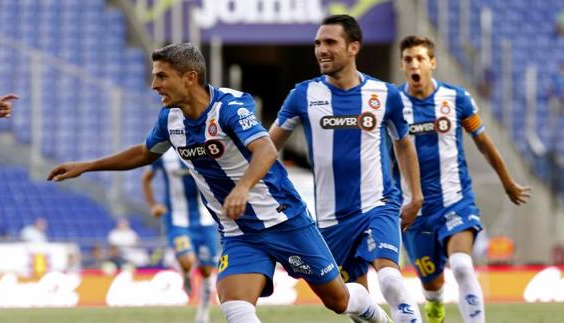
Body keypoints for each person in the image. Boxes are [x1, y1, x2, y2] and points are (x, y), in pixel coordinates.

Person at [47, 43, 391, 323]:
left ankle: (374, 313)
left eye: (162, 77)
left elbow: (266, 147)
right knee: (235, 306)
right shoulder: (170, 119)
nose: (154, 86)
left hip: (284, 221)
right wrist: (88, 165)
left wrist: (242, 188)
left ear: (190, 78)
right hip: (239, 232)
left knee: (338, 301)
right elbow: (144, 153)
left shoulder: (230, 106)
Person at [269, 15, 424, 323]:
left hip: (378, 204)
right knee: (348, 299)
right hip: (329, 218)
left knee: (390, 279)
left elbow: (404, 144)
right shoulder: (303, 95)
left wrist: (415, 195)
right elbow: (267, 148)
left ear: (353, 47)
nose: (321, 50)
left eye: (330, 42)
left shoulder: (384, 95)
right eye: (317, 43)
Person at [396, 35, 532, 323]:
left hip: (455, 201)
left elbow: (483, 142)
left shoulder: (456, 98)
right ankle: (435, 305)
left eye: (420, 58)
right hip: (414, 212)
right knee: (431, 285)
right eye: (408, 59)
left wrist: (507, 182)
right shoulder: (392, 104)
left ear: (432, 63)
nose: (414, 64)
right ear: (402, 65)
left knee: (461, 265)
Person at [142, 147, 218, 323]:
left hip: (205, 220)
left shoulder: (203, 148)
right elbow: (146, 178)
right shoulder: (164, 154)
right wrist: (153, 205)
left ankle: (203, 309)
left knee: (207, 270)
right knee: (187, 260)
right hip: (177, 220)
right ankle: (185, 273)